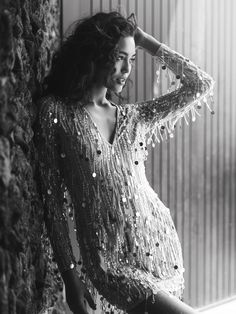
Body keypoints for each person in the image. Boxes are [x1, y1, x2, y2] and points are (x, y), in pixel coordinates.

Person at [37, 11, 214, 314]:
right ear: (95, 54)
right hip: (110, 264)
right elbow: (51, 201)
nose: (126, 69)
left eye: (131, 60)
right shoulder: (56, 113)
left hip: (160, 251)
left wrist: (145, 42)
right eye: (119, 57)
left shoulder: (135, 119)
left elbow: (199, 85)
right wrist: (70, 276)